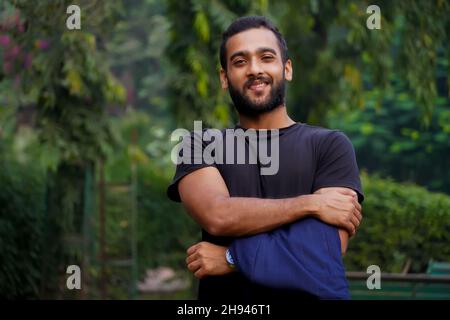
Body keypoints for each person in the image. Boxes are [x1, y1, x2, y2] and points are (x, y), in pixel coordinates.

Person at [167, 16, 363, 301]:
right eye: (240, 62)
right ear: (224, 78)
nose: (255, 69)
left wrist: (232, 259)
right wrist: (311, 204)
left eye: (266, 57)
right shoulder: (199, 143)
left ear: (287, 69)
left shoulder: (330, 145)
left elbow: (327, 247)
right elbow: (218, 217)